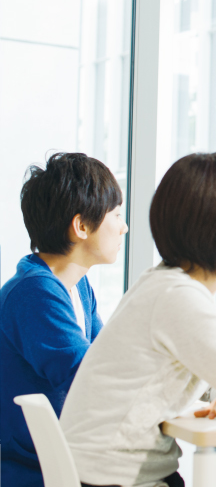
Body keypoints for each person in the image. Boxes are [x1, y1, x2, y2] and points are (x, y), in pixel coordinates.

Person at [60, 153, 216, 487]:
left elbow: (195, 365)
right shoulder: (178, 299)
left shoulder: (162, 283)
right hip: (121, 482)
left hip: (102, 475)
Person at [0, 153, 127, 487]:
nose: (124, 227)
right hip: (40, 472)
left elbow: (105, 357)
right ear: (81, 226)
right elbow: (90, 377)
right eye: (116, 215)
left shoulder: (76, 285)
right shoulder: (34, 292)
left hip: (69, 460)